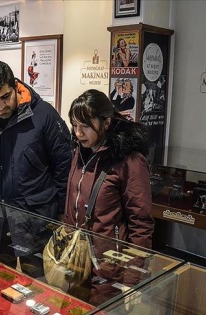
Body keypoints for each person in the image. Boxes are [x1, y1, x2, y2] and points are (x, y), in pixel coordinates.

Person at [0, 60, 72, 277]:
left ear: (15, 87)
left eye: (5, 97)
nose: (0, 106)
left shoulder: (44, 115)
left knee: (38, 286)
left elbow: (63, 165)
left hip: (35, 218)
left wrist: (60, 211)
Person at [63, 89, 153, 305]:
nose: (78, 133)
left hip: (108, 267)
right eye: (75, 125)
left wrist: (132, 279)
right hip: (77, 260)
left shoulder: (129, 160)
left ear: (106, 122)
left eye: (85, 126)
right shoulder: (80, 152)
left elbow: (141, 224)